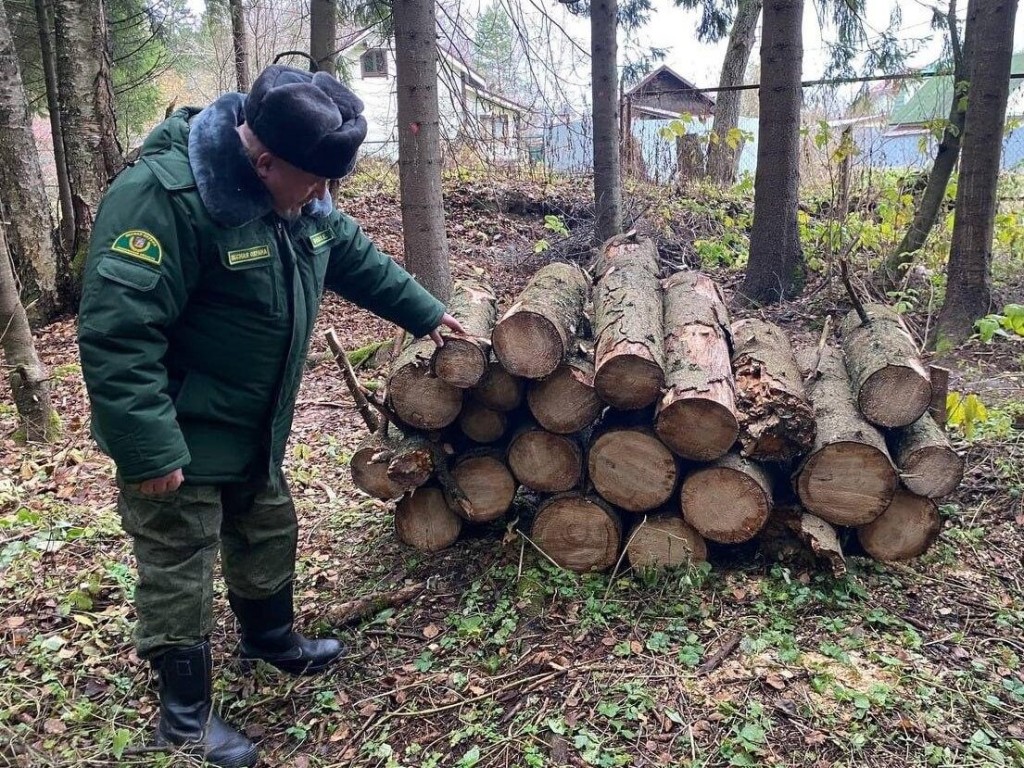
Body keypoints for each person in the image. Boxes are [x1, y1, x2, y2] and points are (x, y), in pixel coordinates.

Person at [77, 64, 463, 768]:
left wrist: (429, 313)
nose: (323, 198)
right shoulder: (161, 200)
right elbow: (117, 334)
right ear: (262, 161)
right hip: (181, 431)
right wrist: (148, 448)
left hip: (255, 424)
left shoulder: (299, 197)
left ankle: (269, 639)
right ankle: (184, 719)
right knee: (178, 561)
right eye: (313, 183)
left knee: (266, 526)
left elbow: (352, 256)